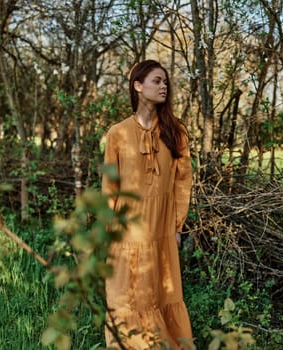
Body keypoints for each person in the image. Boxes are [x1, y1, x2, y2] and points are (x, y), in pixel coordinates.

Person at [101, 59, 194, 349]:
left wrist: (177, 226)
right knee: (124, 296)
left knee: (160, 294)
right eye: (157, 81)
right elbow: (110, 186)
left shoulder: (176, 131)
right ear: (138, 86)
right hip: (126, 228)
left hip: (162, 228)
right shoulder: (117, 133)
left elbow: (182, 182)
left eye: (166, 81)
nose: (164, 86)